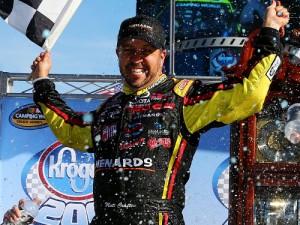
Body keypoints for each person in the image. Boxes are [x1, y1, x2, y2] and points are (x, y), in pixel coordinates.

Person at [3, 1, 289, 224]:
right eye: (129, 49)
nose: (136, 58)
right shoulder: (108, 109)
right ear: (117, 53)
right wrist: (42, 83)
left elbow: (249, 94)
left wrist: (270, 32)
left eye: (146, 50)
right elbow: (69, 128)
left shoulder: (184, 99)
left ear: (162, 56)